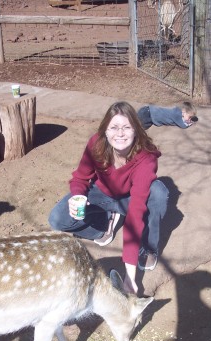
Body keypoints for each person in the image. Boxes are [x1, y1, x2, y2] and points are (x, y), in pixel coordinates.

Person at [48, 101, 169, 294]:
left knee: (159, 193)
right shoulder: (96, 144)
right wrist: (78, 195)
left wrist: (130, 277)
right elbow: (80, 177)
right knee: (57, 219)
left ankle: (147, 248)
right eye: (114, 127)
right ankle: (104, 224)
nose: (120, 134)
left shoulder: (146, 159)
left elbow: (135, 215)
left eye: (126, 127)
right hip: (102, 192)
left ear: (136, 130)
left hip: (130, 198)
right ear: (105, 130)